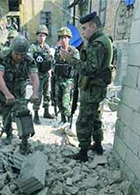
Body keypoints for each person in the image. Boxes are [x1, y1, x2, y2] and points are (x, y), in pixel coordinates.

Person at [60, 12, 113, 162]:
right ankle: (97, 145)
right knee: (95, 118)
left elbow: (89, 69)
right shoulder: (103, 40)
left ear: (93, 27)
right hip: (97, 88)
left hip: (92, 89)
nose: (82, 32)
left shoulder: (97, 44)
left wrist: (70, 59)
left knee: (83, 120)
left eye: (84, 28)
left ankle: (83, 152)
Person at [0, 35, 39, 154]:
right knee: (6, 113)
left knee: (22, 112)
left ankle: (24, 140)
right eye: (17, 54)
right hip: (4, 90)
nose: (19, 57)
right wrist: (7, 94)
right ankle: (8, 133)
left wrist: (35, 93)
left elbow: (34, 77)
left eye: (22, 54)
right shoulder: (3, 57)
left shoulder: (28, 59)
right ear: (12, 50)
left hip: (19, 90)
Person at [53, 27, 80, 124]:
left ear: (69, 38)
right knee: (58, 101)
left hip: (68, 81)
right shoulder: (57, 51)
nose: (63, 40)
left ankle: (69, 121)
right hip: (58, 79)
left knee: (66, 102)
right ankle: (63, 119)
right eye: (61, 38)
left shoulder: (73, 51)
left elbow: (78, 65)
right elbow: (54, 64)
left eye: (65, 37)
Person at [29, 25, 55, 124]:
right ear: (37, 36)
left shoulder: (47, 47)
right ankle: (35, 114)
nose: (42, 37)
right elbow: (29, 62)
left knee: (47, 94)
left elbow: (50, 60)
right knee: (37, 95)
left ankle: (46, 111)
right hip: (37, 75)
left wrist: (50, 70)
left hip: (46, 74)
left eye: (44, 36)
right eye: (40, 35)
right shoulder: (33, 47)